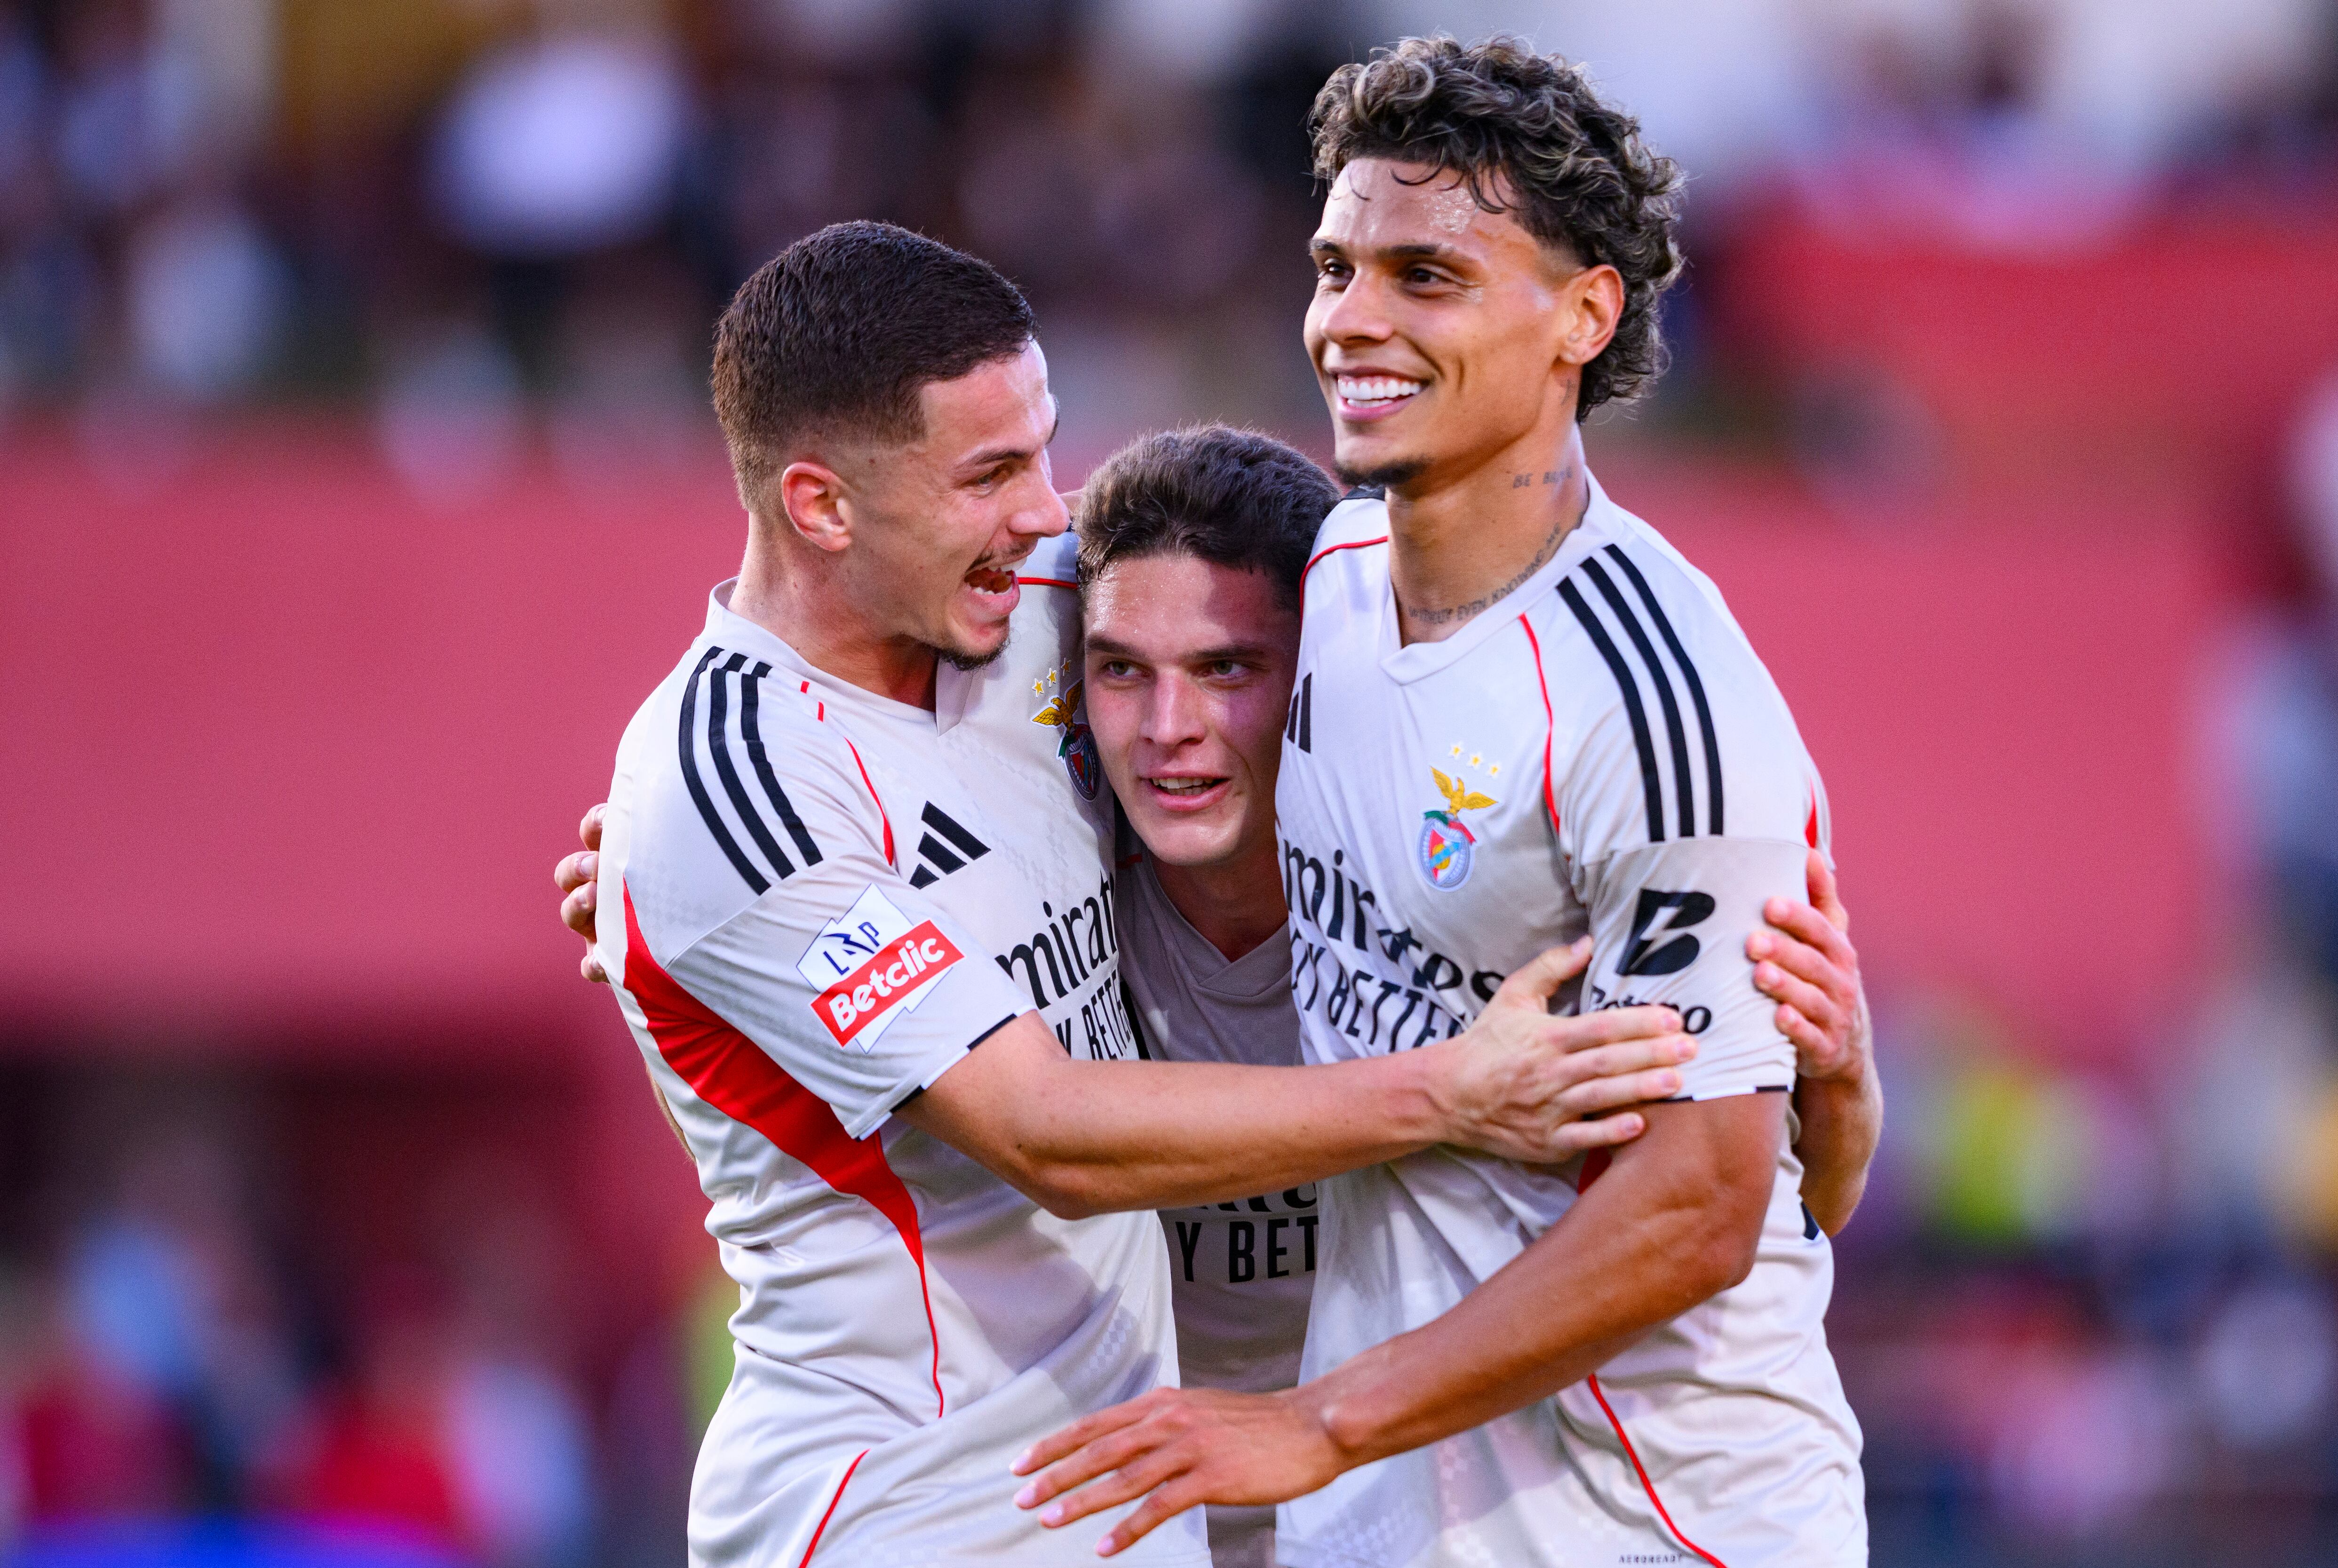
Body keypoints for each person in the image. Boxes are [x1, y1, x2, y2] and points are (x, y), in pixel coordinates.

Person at [579, 220, 1704, 1568]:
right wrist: (1460, 1090)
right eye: (991, 472)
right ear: (822, 506)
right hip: (908, 1516)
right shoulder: (733, 784)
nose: (1047, 512)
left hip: (1119, 1507)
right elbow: (1045, 1133)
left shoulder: (1032, 604)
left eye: (1045, 449)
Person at [1010, 38, 1879, 1568]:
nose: (1353, 320)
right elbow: (940, 629)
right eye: (1336, 266)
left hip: (1652, 1527)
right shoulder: (1318, 585)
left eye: (1427, 276)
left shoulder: (1658, 700)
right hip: (1392, 1517)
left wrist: (1317, 1419)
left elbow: (1705, 1207)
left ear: (1584, 314)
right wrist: (688, 817)